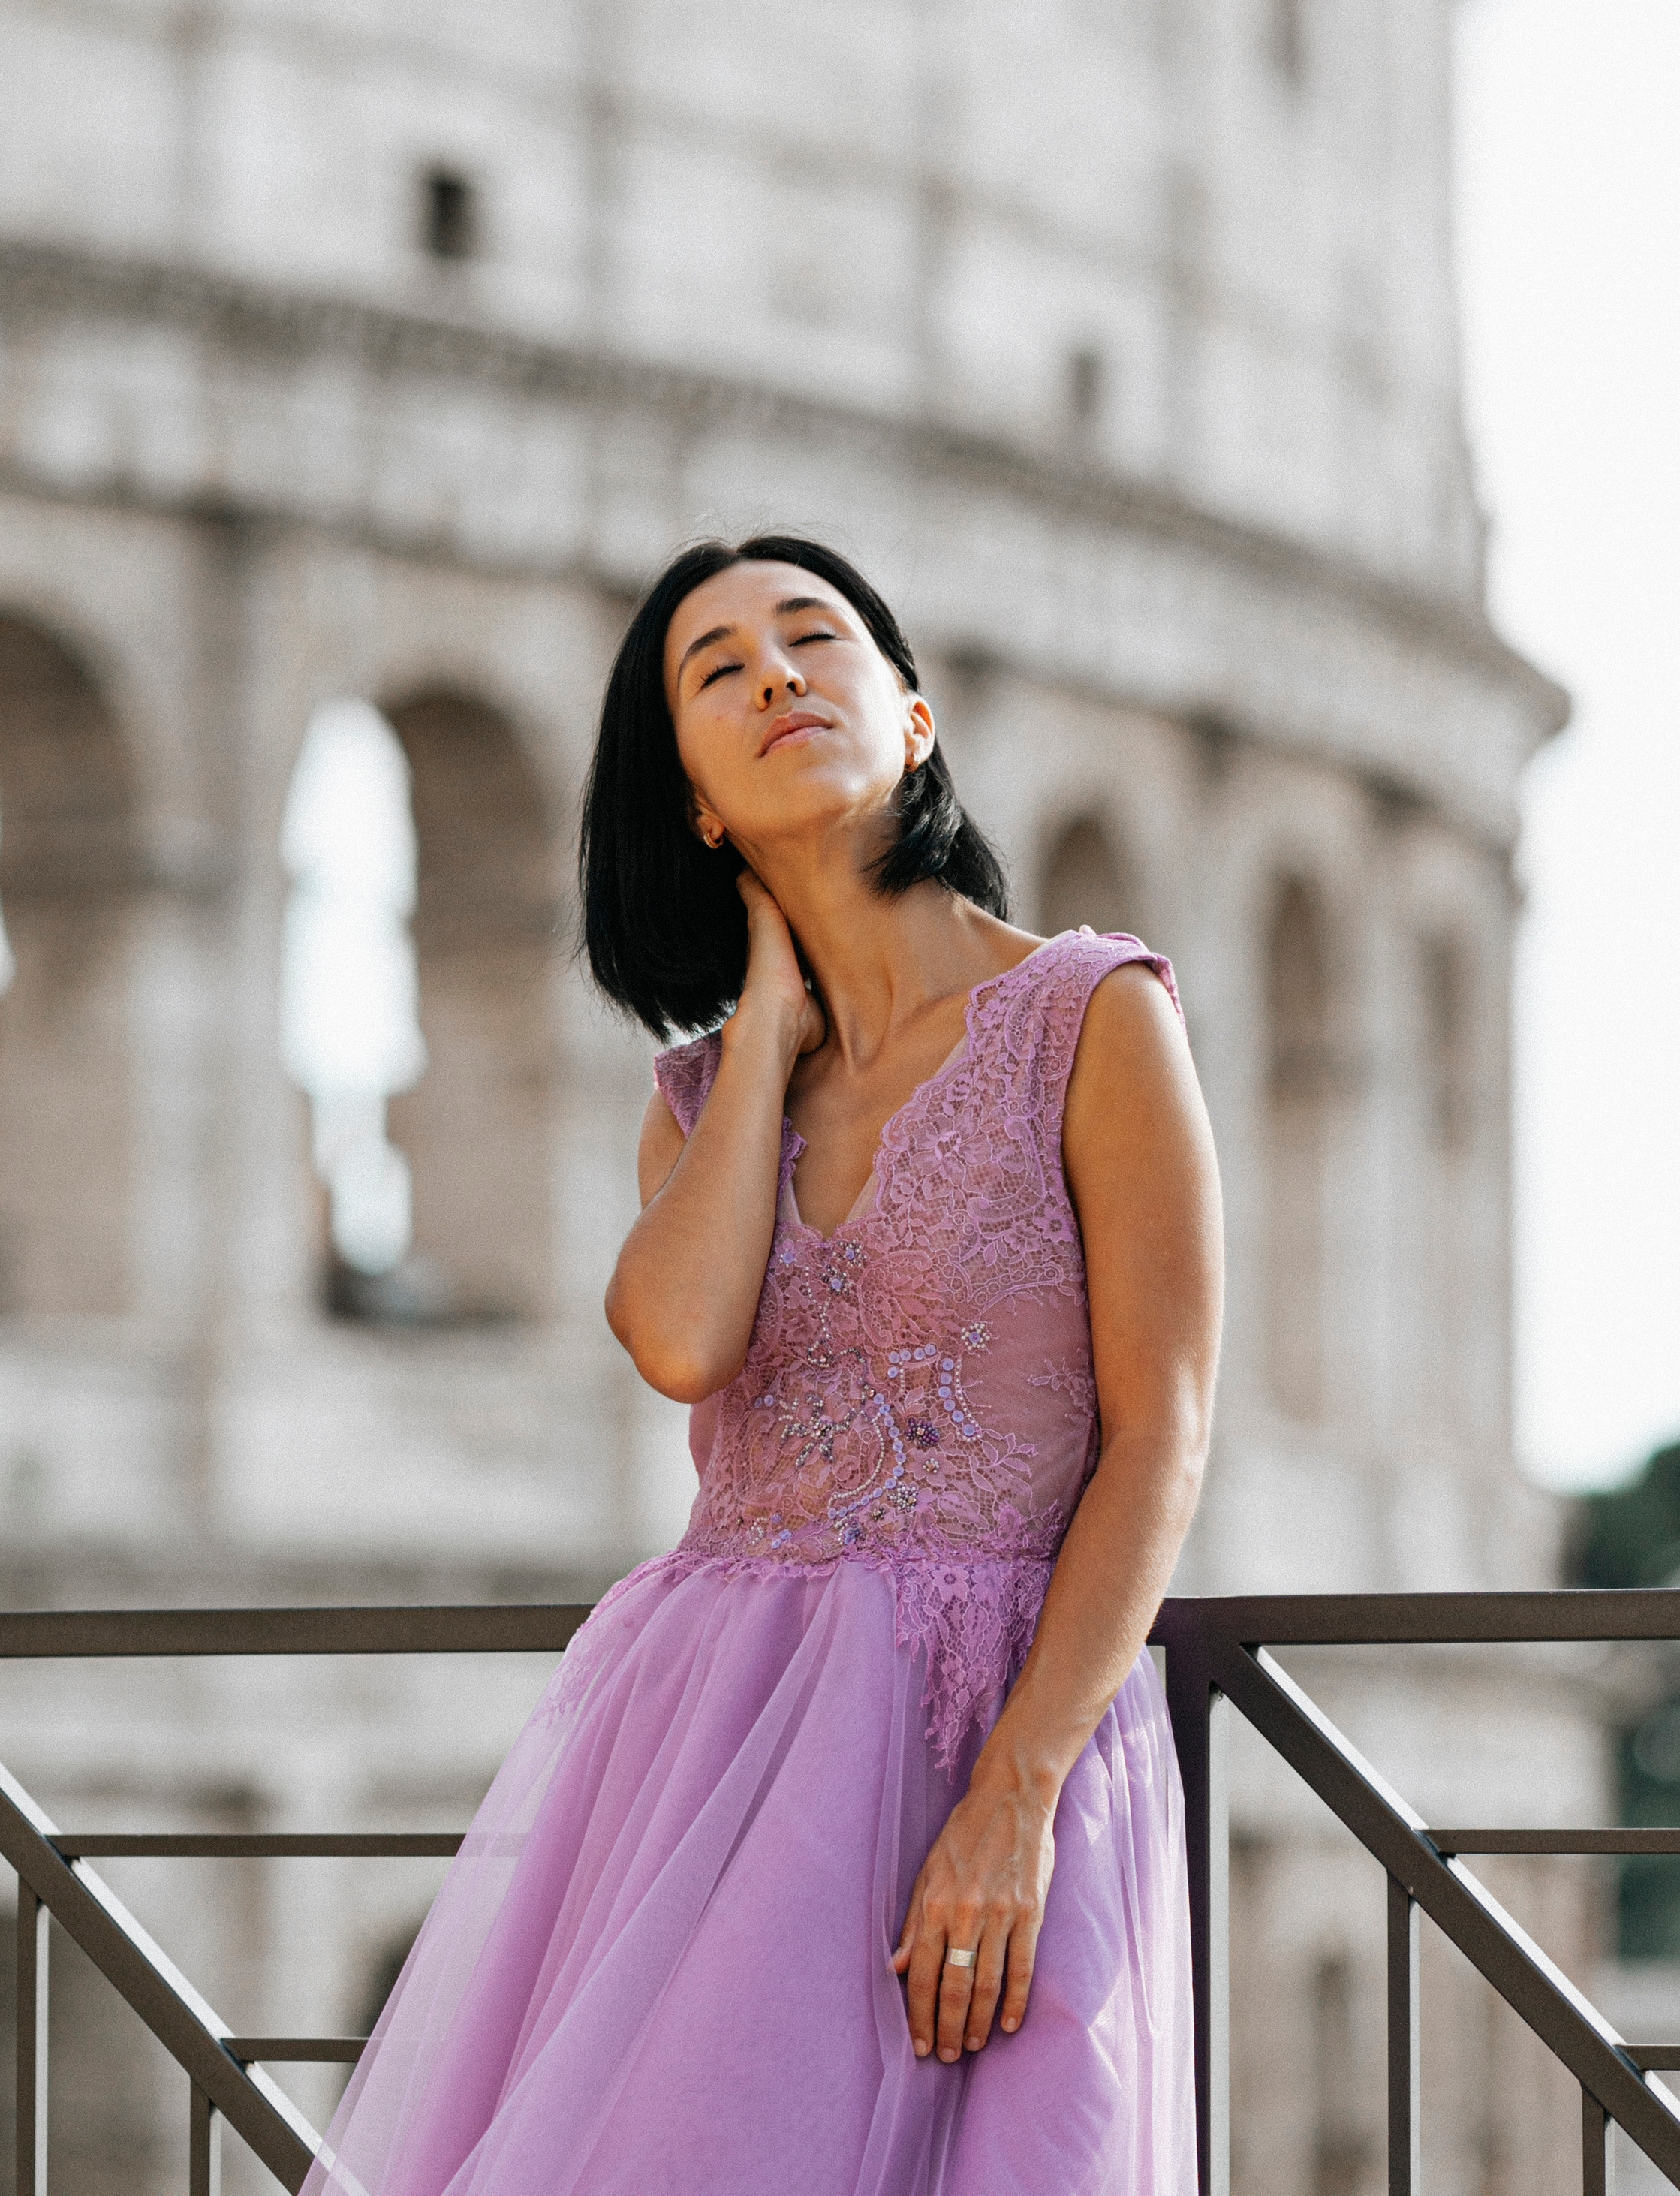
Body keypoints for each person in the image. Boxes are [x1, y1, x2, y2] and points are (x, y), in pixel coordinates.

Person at [303, 533, 1224, 2196]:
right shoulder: (697, 1102)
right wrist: (764, 1031)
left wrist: (1017, 1789)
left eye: (813, 641)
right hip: (717, 1741)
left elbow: (1161, 1428)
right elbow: (678, 1340)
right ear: (699, 804)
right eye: (716, 671)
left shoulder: (1093, 1014)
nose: (776, 676)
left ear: (915, 718)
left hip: (994, 1724)